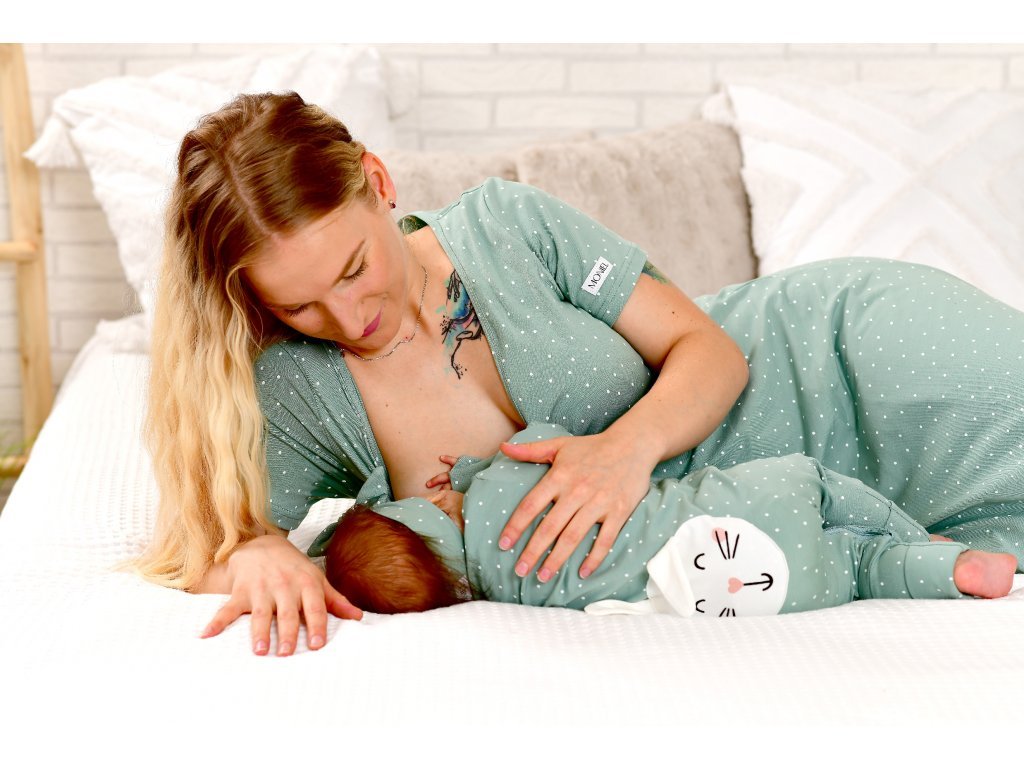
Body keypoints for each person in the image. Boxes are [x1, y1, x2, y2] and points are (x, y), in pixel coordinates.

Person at [133, 90, 1024, 657]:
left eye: (354, 268)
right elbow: (209, 543)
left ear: (378, 181)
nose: (346, 316)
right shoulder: (298, 389)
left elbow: (711, 349)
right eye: (299, 306)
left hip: (839, 356)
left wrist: (624, 451)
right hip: (790, 516)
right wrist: (257, 553)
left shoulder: (508, 226)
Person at [311, 422, 1017, 616]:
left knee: (861, 571)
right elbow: (551, 437)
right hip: (745, 505)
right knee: (827, 491)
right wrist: (469, 471)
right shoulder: (498, 485)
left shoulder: (508, 591)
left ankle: (953, 571)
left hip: (743, 593)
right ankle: (921, 537)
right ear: (422, 507)